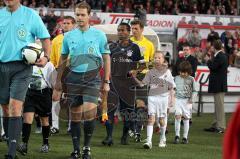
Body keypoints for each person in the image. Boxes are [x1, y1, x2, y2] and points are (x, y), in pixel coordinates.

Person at [55, 2, 110, 159]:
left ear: (89, 15)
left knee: (90, 112)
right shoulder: (68, 36)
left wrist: (106, 81)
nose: (79, 17)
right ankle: (76, 150)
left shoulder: (99, 35)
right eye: (77, 14)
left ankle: (87, 148)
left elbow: (106, 58)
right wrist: (58, 80)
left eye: (82, 15)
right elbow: (63, 58)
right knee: (76, 116)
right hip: (73, 78)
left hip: (92, 79)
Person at [0, 1, 50, 159]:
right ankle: (10, 142)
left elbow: (45, 38)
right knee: (6, 108)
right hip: (1, 67)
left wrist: (46, 57)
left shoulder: (31, 15)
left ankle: (11, 153)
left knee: (15, 107)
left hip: (22, 68)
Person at [109, 22, 144, 145]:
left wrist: (136, 71)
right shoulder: (112, 47)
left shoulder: (134, 47)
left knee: (127, 111)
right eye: (118, 30)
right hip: (113, 83)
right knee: (110, 109)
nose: (120, 32)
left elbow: (142, 64)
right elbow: (107, 63)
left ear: (128, 32)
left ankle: (124, 136)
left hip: (128, 84)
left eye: (123, 30)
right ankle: (109, 137)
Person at [132, 51, 175, 149]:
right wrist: (134, 77)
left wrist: (171, 99)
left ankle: (162, 138)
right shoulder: (150, 72)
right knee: (151, 119)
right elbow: (142, 84)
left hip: (163, 99)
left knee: (161, 120)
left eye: (159, 58)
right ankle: (149, 141)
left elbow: (171, 86)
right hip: (152, 98)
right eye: (155, 58)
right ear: (153, 60)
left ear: (163, 60)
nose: (157, 59)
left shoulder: (167, 72)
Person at [17, 62, 55, 155]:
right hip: (30, 93)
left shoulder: (49, 64)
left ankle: (45, 144)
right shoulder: (28, 63)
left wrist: (56, 91)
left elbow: (53, 80)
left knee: (44, 120)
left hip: (44, 94)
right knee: (27, 119)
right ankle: (24, 144)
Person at [50, 16, 76, 135]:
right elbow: (52, 58)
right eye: (64, 23)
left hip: (73, 71)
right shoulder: (56, 40)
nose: (65, 25)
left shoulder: (78, 39)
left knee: (72, 99)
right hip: (58, 70)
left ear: (74, 25)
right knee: (55, 97)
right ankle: (55, 126)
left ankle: (71, 126)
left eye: (68, 23)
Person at [130, 19, 155, 137]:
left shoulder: (149, 44)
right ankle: (130, 128)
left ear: (142, 29)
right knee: (129, 104)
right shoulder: (128, 42)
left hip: (142, 76)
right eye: (132, 28)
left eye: (136, 29)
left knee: (140, 104)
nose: (134, 31)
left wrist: (139, 69)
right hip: (128, 76)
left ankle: (138, 130)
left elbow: (153, 63)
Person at [204, 39, 228, 133]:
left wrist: (208, 60)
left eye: (212, 46)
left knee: (219, 106)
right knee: (218, 106)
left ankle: (221, 126)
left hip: (219, 85)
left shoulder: (221, 56)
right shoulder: (220, 56)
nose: (211, 48)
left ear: (214, 47)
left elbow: (213, 67)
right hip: (218, 84)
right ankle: (215, 125)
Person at [173, 61, 197, 144]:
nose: (182, 74)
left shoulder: (192, 79)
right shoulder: (175, 78)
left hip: (187, 101)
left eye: (185, 72)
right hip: (177, 100)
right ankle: (177, 136)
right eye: (181, 72)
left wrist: (191, 99)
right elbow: (172, 88)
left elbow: (195, 91)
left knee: (186, 119)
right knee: (178, 116)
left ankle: (185, 137)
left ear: (189, 72)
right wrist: (172, 96)